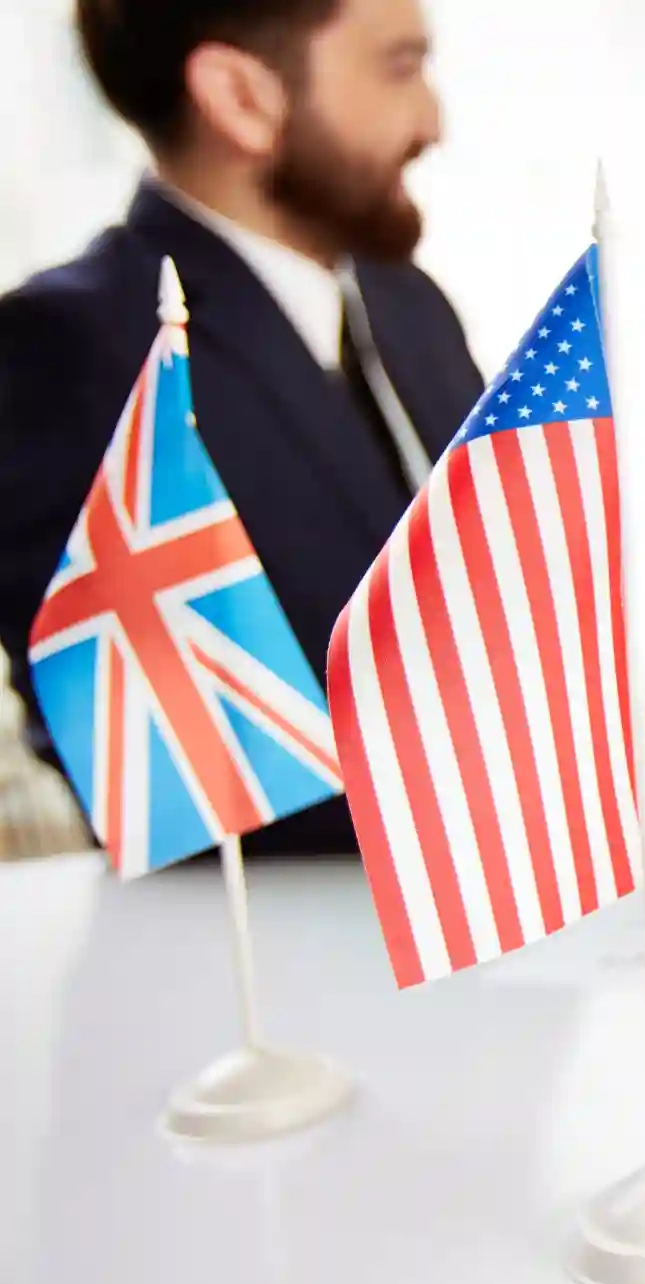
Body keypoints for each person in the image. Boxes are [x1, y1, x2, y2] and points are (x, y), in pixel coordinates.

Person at [0, 0, 483, 854]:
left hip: (513, 947)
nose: (434, 120)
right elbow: (171, 771)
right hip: (273, 964)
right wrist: (522, 779)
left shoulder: (414, 312)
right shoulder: (67, 353)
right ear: (241, 97)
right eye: (400, 67)